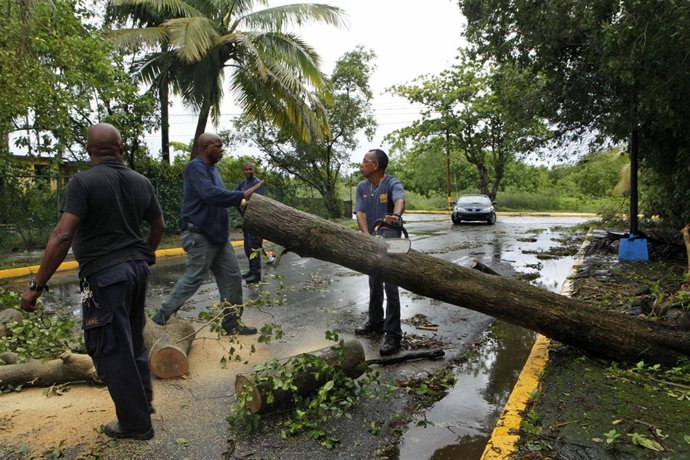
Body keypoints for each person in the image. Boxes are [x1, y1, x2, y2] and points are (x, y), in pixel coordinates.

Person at [20, 123, 166, 441]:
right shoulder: (141, 182)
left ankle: (136, 424)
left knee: (111, 349)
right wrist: (144, 256)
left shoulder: (83, 183)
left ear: (89, 151)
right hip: (136, 272)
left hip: (104, 278)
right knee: (133, 341)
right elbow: (158, 225)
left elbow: (62, 235)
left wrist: (37, 285)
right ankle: (143, 404)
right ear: (121, 148)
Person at [151, 133, 262, 335]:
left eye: (222, 145)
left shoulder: (214, 170)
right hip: (199, 235)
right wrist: (241, 195)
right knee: (194, 278)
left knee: (233, 278)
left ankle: (232, 324)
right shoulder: (196, 168)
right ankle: (159, 320)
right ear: (203, 148)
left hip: (219, 237)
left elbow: (219, 196)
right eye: (217, 146)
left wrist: (238, 199)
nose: (221, 149)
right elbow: (209, 194)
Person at [354, 148, 406, 355]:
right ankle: (375, 321)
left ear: (375, 165)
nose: (361, 164)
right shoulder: (362, 187)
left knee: (391, 286)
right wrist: (366, 236)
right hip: (373, 240)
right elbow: (360, 212)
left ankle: (393, 334)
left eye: (364, 161)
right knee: (374, 282)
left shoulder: (392, 183)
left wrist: (395, 215)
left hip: (391, 239)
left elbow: (400, 200)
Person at [235, 162, 265, 284]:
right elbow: (235, 194)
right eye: (246, 169)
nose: (248, 171)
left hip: (256, 220)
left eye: (250, 169)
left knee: (254, 247)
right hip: (247, 219)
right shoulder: (243, 183)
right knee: (247, 247)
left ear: (254, 170)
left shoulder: (257, 183)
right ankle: (251, 271)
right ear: (243, 170)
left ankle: (256, 275)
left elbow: (258, 202)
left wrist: (243, 202)